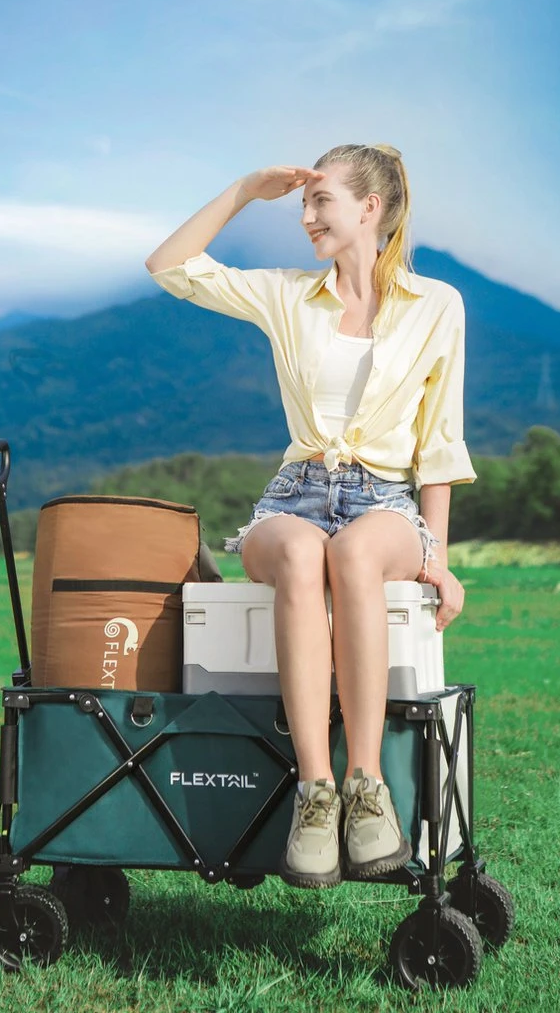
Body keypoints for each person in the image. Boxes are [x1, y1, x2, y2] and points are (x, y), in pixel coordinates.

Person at [145, 144, 476, 887]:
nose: (304, 217)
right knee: (300, 554)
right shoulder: (288, 295)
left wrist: (438, 559)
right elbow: (169, 266)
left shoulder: (438, 306)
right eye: (302, 203)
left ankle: (367, 786)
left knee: (354, 554)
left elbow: (440, 445)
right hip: (293, 494)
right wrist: (242, 190)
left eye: (320, 201)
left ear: (370, 208)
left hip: (385, 500)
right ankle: (316, 792)